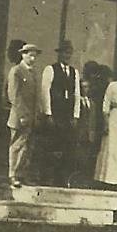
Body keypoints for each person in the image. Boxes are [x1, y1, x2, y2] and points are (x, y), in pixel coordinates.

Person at [41, 40, 81, 186]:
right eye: (64, 52)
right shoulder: (50, 69)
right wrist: (48, 113)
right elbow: (45, 92)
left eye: (69, 53)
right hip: (55, 113)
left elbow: (76, 94)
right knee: (52, 145)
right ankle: (47, 177)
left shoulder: (74, 72)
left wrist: (75, 115)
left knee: (66, 147)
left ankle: (61, 178)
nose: (67, 55)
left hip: (67, 115)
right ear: (59, 54)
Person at [6, 43, 42, 188]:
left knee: (27, 147)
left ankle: (22, 175)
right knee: (17, 146)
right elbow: (14, 95)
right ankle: (13, 175)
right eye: (29, 55)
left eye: (34, 56)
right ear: (23, 55)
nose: (32, 58)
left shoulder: (33, 73)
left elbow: (35, 97)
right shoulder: (16, 71)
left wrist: (35, 115)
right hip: (19, 117)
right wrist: (22, 115)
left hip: (31, 117)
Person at [73, 79, 98, 183]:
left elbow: (93, 120)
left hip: (89, 133)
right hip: (80, 132)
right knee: (79, 155)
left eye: (87, 87)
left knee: (87, 156)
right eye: (83, 87)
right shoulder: (76, 102)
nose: (85, 89)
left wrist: (92, 132)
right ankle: (76, 177)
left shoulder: (92, 102)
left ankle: (85, 178)